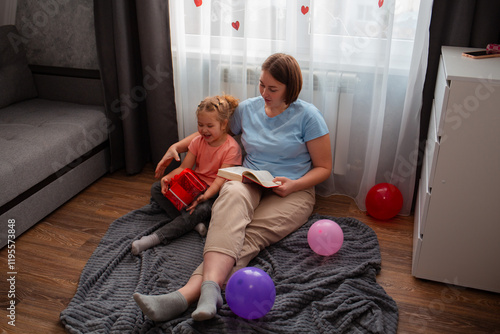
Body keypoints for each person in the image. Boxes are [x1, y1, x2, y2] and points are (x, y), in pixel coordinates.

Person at [134, 53, 332, 321]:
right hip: (250, 179)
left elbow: (324, 168)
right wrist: (177, 147)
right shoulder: (249, 109)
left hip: (292, 190)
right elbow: (214, 130)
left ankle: (187, 295)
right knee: (229, 209)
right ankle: (207, 292)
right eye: (261, 84)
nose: (264, 93)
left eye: (272, 89)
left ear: (290, 88)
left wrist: (295, 184)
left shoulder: (309, 116)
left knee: (247, 235)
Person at [131, 95, 242, 255]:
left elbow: (220, 181)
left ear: (224, 124)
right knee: (157, 189)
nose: (204, 130)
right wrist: (167, 178)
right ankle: (193, 223)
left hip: (213, 193)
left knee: (200, 210)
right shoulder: (197, 141)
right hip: (193, 186)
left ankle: (154, 238)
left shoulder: (231, 148)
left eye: (209, 125)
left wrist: (204, 196)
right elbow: (184, 167)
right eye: (200, 125)